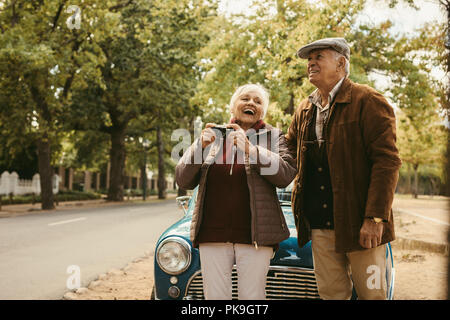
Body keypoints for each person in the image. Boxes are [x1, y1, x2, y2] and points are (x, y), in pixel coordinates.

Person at [286, 38, 402, 300]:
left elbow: (387, 161)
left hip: (362, 226)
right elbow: (287, 152)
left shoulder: (368, 100)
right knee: (331, 295)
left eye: (318, 56)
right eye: (309, 59)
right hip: (319, 226)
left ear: (341, 63)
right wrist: (250, 145)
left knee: (373, 295)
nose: (311, 63)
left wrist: (374, 218)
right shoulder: (304, 108)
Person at [176, 83, 296, 300]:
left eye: (258, 101)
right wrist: (199, 148)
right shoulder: (212, 135)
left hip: (256, 236)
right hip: (212, 233)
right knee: (215, 298)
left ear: (263, 111)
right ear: (232, 107)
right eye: (245, 98)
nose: (251, 103)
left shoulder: (273, 137)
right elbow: (183, 178)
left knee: (251, 298)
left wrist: (251, 149)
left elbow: (285, 175)